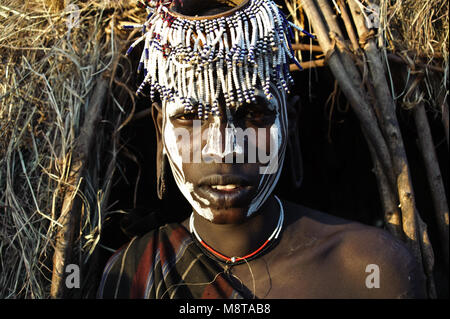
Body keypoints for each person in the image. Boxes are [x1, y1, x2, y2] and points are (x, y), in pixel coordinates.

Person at [97, 0, 426, 299]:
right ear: (160, 130)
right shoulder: (130, 276)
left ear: (290, 122)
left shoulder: (369, 271)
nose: (224, 148)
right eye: (189, 117)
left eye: (254, 115)